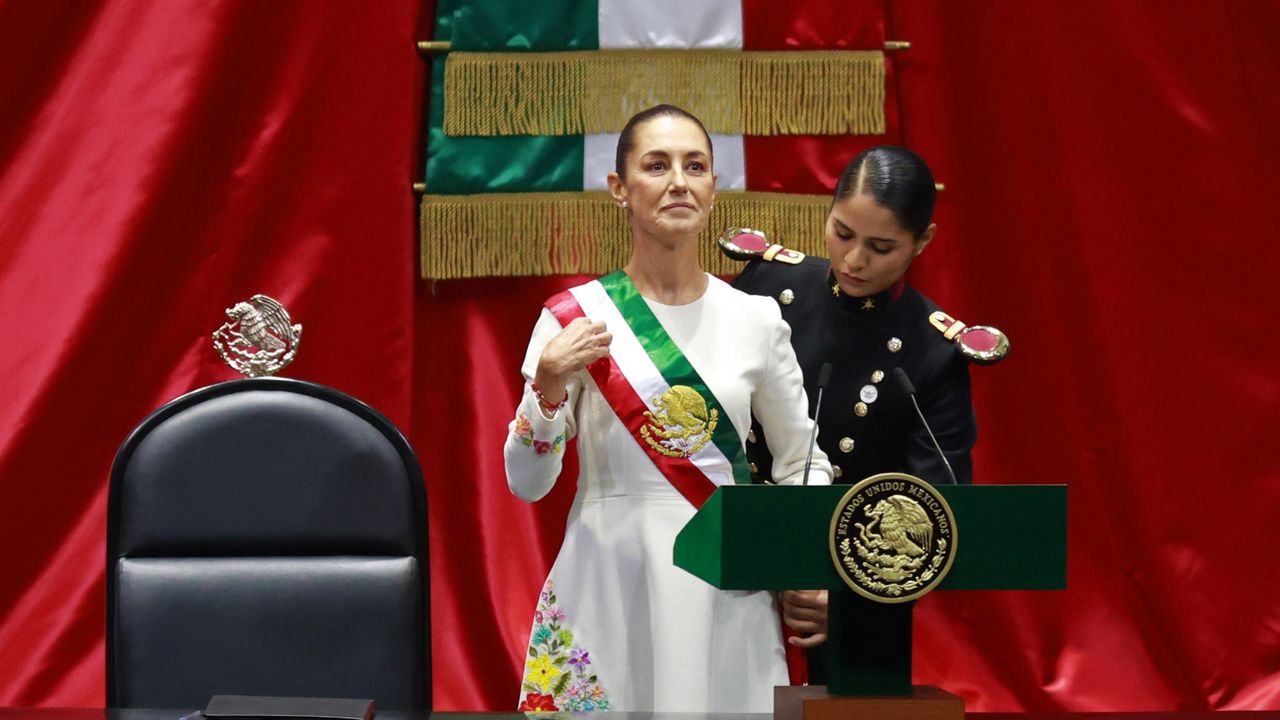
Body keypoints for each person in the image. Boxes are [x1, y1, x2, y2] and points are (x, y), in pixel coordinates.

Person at [503, 104, 832, 713]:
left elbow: (801, 462)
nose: (679, 180)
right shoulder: (572, 318)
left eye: (696, 165)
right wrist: (548, 382)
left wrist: (801, 557)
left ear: (713, 186)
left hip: (726, 588)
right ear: (619, 189)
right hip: (609, 584)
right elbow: (527, 482)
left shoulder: (755, 319)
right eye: (656, 166)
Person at [731, 144, 995, 682]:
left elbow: (939, 510)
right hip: (736, 571)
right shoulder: (765, 288)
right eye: (842, 233)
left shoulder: (933, 350)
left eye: (881, 247)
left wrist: (856, 598)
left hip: (851, 604)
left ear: (923, 241)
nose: (853, 260)